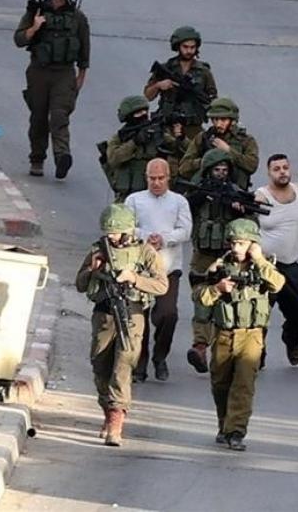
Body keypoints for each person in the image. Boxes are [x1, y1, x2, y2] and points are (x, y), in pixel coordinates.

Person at [75, 204, 168, 446]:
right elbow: (80, 284)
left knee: (123, 365)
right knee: (100, 365)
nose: (112, 238)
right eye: (108, 233)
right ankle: (107, 411)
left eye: (116, 233)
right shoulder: (99, 249)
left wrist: (134, 278)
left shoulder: (145, 251)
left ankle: (116, 422)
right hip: (104, 314)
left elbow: (161, 285)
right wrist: (92, 270)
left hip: (132, 314)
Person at [196, 219, 285, 451]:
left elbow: (278, 284)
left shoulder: (263, 266)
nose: (237, 248)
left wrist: (259, 259)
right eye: (234, 242)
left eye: (242, 243)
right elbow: (199, 297)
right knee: (220, 383)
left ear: (253, 243)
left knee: (243, 385)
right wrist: (217, 289)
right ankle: (224, 424)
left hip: (251, 335)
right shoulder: (219, 267)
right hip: (224, 334)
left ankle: (236, 431)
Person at [13, 0, 90, 179]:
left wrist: (80, 78)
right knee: (38, 118)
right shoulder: (36, 11)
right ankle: (37, 159)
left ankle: (62, 156)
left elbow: (85, 51)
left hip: (64, 73)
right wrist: (34, 27)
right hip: (39, 71)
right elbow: (19, 40)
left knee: (59, 116)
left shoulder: (77, 17)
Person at [125, 159, 193, 382]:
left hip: (168, 267)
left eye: (160, 178)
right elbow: (126, 226)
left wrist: (164, 239)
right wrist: (145, 236)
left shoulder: (179, 201)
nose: (156, 183)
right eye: (152, 178)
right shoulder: (134, 200)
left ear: (168, 178)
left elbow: (186, 230)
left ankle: (160, 356)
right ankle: (140, 365)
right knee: (139, 319)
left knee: (168, 314)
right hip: (140, 268)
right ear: (146, 178)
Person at [183, 149, 250, 374]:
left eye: (224, 170)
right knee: (202, 300)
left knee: (228, 302)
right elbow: (185, 209)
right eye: (216, 170)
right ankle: (200, 347)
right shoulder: (198, 191)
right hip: (203, 255)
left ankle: (229, 352)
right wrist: (203, 196)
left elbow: (250, 224)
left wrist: (238, 210)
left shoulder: (235, 192)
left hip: (227, 256)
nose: (221, 174)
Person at [254, 154, 298, 367]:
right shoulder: (261, 196)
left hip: (290, 263)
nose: (282, 172)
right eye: (276, 169)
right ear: (269, 173)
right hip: (265, 264)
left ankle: (291, 336)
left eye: (285, 168)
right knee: (260, 311)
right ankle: (257, 352)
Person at [144, 25, 218, 181]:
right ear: (178, 46)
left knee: (192, 164)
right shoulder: (166, 68)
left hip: (192, 127)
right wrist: (159, 85)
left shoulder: (204, 72)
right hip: (167, 125)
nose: (189, 51)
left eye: (192, 47)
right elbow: (148, 95)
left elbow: (213, 100)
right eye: (185, 47)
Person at [105, 96, 179, 202]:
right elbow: (113, 159)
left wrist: (180, 137)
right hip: (128, 194)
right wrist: (135, 142)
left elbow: (180, 149)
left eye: (145, 112)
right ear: (128, 116)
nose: (143, 115)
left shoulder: (155, 131)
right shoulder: (120, 137)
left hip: (155, 193)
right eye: (138, 113)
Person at [178, 97, 259, 190]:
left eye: (223, 120)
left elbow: (251, 166)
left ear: (232, 121)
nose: (218, 124)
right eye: (215, 120)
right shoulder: (203, 138)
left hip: (235, 192)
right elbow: (183, 168)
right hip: (205, 190)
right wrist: (207, 161)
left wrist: (229, 151)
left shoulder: (245, 140)